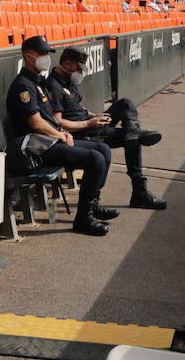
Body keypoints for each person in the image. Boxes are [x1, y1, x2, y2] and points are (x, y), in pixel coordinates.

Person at [6, 36, 118, 235]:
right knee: (95, 159)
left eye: (48, 54)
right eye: (43, 54)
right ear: (29, 57)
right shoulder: (23, 85)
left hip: (49, 141)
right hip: (36, 148)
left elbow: (50, 119)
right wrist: (60, 134)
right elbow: (36, 124)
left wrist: (63, 131)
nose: (47, 58)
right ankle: (83, 219)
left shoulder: (37, 82)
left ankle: (91, 205)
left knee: (103, 150)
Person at [46, 47, 167, 209]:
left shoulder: (69, 80)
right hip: (81, 134)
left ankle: (133, 131)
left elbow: (77, 108)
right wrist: (89, 123)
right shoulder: (53, 85)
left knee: (125, 104)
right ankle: (139, 192)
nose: (80, 72)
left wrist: (94, 116)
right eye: (78, 68)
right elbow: (58, 122)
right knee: (134, 138)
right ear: (67, 64)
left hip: (89, 124)